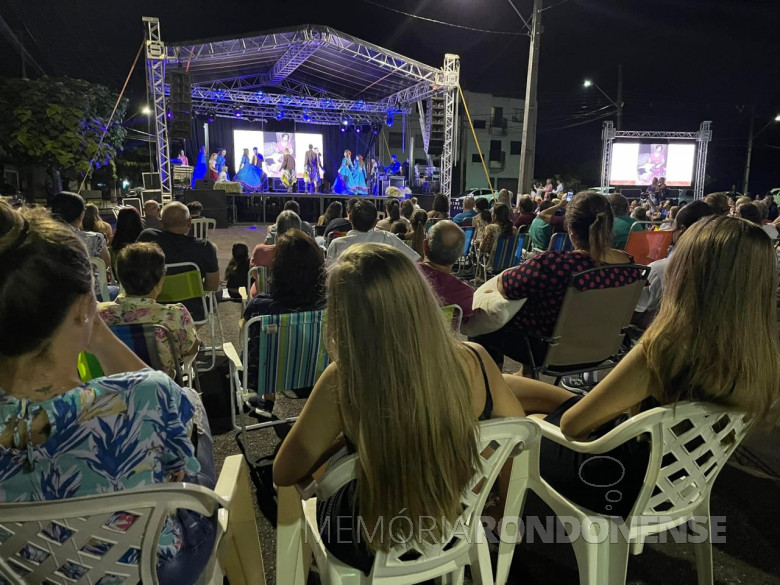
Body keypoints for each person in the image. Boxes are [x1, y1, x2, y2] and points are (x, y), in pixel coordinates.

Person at [504, 214, 780, 519]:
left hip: (618, 478)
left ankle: (498, 528)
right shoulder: (761, 354)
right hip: (679, 477)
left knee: (518, 422)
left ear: (690, 271)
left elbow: (572, 426)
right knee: (510, 386)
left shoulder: (665, 347)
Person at [273, 244, 527, 573]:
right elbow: (517, 436)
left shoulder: (345, 377)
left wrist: (344, 446)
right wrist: (497, 508)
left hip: (369, 539)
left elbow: (284, 471)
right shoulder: (475, 358)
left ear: (343, 315)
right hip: (455, 519)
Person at [0, 201, 216, 585]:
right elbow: (177, 443)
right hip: (149, 569)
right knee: (193, 410)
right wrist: (96, 332)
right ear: (86, 307)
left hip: (20, 573)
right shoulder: (146, 395)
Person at [474, 191, 644, 370]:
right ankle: (526, 377)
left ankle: (492, 389)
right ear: (609, 225)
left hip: (549, 352)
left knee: (482, 324)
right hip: (603, 350)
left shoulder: (554, 265)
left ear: (570, 229)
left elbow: (505, 287)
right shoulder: (629, 266)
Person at [242, 230, 327, 417]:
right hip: (318, 375)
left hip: (268, 375)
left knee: (262, 346)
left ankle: (268, 397)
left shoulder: (261, 307)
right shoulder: (329, 304)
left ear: (278, 267)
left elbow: (247, 336)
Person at [99, 242, 200, 379]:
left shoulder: (98, 315)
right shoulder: (174, 315)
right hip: (160, 391)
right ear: (161, 278)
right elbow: (191, 348)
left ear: (120, 276)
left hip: (112, 390)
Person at [633, 200, 716, 329]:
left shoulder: (660, 270)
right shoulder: (724, 268)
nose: (671, 230)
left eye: (674, 225)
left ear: (682, 230)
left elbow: (633, 314)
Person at [137, 202, 220, 319]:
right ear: (189, 222)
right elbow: (212, 286)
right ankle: (184, 332)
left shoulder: (147, 237)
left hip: (154, 306)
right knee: (218, 293)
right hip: (191, 312)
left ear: (161, 223)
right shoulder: (204, 247)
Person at [51, 191, 116, 300]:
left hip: (53, 295)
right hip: (90, 293)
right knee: (116, 291)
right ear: (81, 215)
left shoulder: (40, 238)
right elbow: (105, 264)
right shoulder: (95, 238)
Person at [327, 200, 420, 262]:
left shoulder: (336, 245)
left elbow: (329, 276)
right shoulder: (388, 238)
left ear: (350, 218)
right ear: (376, 222)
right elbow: (416, 260)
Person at [419, 221, 474, 322]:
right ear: (458, 255)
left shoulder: (404, 275)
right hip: (439, 337)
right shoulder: (464, 294)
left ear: (425, 246)